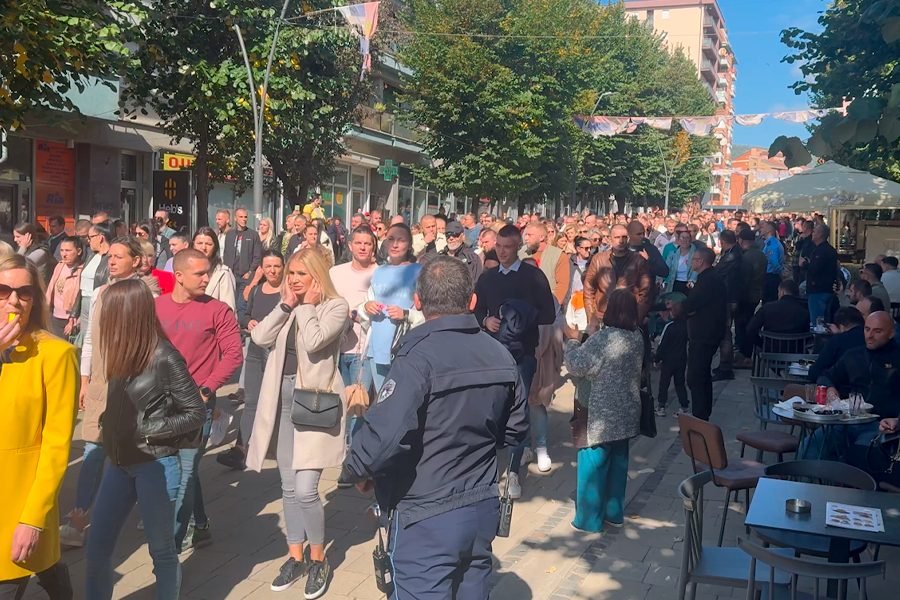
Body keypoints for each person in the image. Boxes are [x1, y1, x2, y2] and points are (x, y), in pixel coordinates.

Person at [340, 256, 529, 599]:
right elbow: (515, 430)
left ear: (417, 302)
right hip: (479, 505)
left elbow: (383, 437)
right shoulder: (500, 355)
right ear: (472, 301)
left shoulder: (416, 357)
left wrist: (355, 470)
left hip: (425, 515)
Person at [84, 280, 205, 600]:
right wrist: (108, 421)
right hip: (119, 462)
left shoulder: (165, 356)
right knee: (96, 551)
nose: (102, 321)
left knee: (161, 551)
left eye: (108, 313)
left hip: (156, 463)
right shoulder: (120, 349)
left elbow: (195, 413)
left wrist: (150, 429)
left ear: (128, 314)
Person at [244, 249, 348, 598]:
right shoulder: (290, 306)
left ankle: (319, 560)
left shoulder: (336, 307)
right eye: (291, 274)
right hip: (283, 399)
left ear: (317, 275)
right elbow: (259, 339)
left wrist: (305, 307)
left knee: (306, 489)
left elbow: (316, 342)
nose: (294, 280)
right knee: (288, 488)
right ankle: (295, 555)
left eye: (301, 274)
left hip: (314, 404)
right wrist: (286, 306)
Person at [65, 237, 162, 548]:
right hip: (102, 382)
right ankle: (78, 520)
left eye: (119, 256)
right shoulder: (102, 292)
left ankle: (152, 509)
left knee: (138, 452)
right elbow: (91, 340)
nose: (112, 261)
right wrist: (85, 380)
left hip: (135, 384)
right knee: (93, 449)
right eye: (110, 256)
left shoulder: (147, 293)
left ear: (137, 260)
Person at [0, 253, 78, 599]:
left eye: (24, 291)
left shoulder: (55, 355)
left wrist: (33, 519)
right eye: (3, 290)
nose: (13, 300)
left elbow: (56, 446)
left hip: (18, 505)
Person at [156, 248, 243, 553]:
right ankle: (201, 522)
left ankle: (174, 545)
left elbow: (234, 354)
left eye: (208, 272)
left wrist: (206, 389)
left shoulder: (217, 310)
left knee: (186, 471)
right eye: (200, 274)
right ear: (178, 276)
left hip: (197, 404)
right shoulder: (156, 307)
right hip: (161, 405)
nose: (207, 278)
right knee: (179, 470)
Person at [474, 225, 555, 497]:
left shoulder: (533, 277)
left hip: (523, 356)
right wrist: (486, 320)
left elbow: (548, 314)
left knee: (517, 413)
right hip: (492, 355)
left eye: (507, 247)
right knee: (492, 412)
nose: (502, 251)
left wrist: (524, 320)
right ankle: (489, 471)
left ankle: (512, 474)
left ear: (518, 246)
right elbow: (474, 311)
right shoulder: (487, 279)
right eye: (498, 246)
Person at [564, 288, 643, 533]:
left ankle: (588, 520)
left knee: (593, 464)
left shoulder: (604, 339)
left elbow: (577, 365)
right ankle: (613, 513)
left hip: (599, 413)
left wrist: (574, 340)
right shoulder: (637, 336)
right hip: (627, 411)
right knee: (618, 465)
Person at [217, 250, 286, 471]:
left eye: (277, 266)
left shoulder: (287, 293)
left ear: (283, 267)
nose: (273, 270)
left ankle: (277, 447)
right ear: (262, 269)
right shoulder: (256, 290)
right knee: (252, 400)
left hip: (277, 352)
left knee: (278, 401)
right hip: (256, 349)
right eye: (268, 266)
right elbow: (244, 315)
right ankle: (241, 449)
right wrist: (250, 322)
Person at [813, 312, 900, 459]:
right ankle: (807, 481)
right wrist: (830, 388)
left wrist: (898, 421)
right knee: (811, 445)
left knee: (858, 455)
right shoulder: (853, 355)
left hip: (882, 425)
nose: (870, 335)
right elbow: (825, 375)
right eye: (867, 329)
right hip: (848, 421)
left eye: (877, 331)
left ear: (891, 333)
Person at [358, 224, 423, 392]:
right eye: (391, 239)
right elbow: (364, 307)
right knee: (381, 401)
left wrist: (406, 314)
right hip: (376, 350)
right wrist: (367, 307)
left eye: (400, 240)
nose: (394, 245)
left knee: (401, 401)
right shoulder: (379, 271)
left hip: (403, 349)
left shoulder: (419, 271)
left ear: (409, 244)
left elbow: (429, 312)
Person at [329, 226, 377, 443]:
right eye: (358, 243)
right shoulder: (335, 272)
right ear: (349, 245)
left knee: (359, 403)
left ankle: (353, 456)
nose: (363, 247)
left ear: (373, 246)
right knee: (344, 402)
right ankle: (346, 450)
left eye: (367, 243)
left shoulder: (380, 273)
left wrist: (359, 313)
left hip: (365, 349)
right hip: (338, 348)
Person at [682, 247, 726, 421]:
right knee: (701, 373)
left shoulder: (708, 279)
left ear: (701, 261)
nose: (692, 261)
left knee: (696, 375)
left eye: (694, 259)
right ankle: (702, 411)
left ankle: (700, 414)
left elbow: (692, 304)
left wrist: (683, 307)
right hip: (708, 332)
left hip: (705, 334)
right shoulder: (709, 278)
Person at [583, 224, 651, 331]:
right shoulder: (598, 259)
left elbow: (645, 292)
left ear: (628, 238)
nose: (621, 241)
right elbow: (588, 290)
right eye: (617, 237)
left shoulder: (638, 260)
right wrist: (591, 318)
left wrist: (637, 319)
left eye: (624, 237)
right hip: (603, 316)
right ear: (610, 239)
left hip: (628, 317)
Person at [745, 279, 810, 351]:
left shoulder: (767, 308)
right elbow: (807, 335)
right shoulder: (804, 312)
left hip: (770, 351)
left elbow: (750, 329)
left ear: (782, 292)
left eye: (778, 292)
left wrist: (762, 344)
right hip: (795, 353)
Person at [712, 230, 742, 381]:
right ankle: (724, 364)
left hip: (728, 298)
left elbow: (718, 272)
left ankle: (725, 366)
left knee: (725, 332)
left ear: (722, 241)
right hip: (730, 296)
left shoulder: (731, 256)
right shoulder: (733, 253)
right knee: (725, 332)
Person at [807, 306, 866, 382]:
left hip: (841, 388)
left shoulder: (837, 341)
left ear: (841, 326)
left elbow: (815, 372)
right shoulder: (870, 339)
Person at [520, 221, 571, 308]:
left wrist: (552, 306)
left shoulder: (558, 256)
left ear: (541, 237)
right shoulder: (520, 254)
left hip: (549, 308)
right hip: (523, 307)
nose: (526, 238)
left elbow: (562, 285)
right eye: (525, 235)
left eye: (530, 235)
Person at [655, 292, 689, 416]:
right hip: (681, 359)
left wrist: (657, 358)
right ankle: (684, 406)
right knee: (680, 383)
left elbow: (663, 345)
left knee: (664, 383)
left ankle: (661, 406)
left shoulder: (669, 327)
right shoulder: (686, 326)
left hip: (668, 360)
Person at [735, 227, 767, 363]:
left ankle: (746, 353)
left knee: (742, 325)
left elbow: (743, 280)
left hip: (745, 295)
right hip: (757, 293)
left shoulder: (745, 257)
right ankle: (749, 350)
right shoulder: (761, 255)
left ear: (741, 240)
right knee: (748, 322)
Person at [223, 208, 262, 314]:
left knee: (242, 303)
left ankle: (241, 324)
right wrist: (227, 270)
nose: (244, 219)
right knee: (231, 302)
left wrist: (250, 271)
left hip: (245, 275)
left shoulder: (253, 235)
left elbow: (257, 256)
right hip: (232, 274)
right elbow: (226, 254)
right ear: (235, 218)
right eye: (241, 217)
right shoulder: (230, 235)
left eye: (245, 217)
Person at [46, 236, 84, 339]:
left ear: (79, 251)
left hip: (70, 319)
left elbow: (81, 297)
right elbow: (50, 288)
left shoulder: (82, 270)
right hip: (55, 316)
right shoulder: (60, 266)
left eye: (68, 250)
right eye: (62, 250)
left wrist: (76, 319)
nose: (64, 254)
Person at [192, 226, 236, 312]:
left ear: (215, 247)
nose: (203, 248)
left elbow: (228, 308)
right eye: (199, 243)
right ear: (193, 244)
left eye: (208, 244)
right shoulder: (186, 269)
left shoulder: (223, 273)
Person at [801, 223, 838, 326]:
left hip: (818, 291)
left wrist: (804, 264)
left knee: (817, 321)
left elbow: (815, 269)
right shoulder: (825, 249)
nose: (812, 233)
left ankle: (818, 340)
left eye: (814, 231)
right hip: (824, 289)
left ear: (820, 234)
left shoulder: (823, 251)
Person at [662, 225, 697, 295]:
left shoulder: (695, 254)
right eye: (682, 238)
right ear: (679, 239)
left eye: (687, 238)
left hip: (688, 284)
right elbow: (666, 268)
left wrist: (692, 280)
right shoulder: (672, 254)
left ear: (690, 240)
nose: (685, 240)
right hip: (674, 282)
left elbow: (696, 270)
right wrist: (662, 280)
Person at [760, 221, 784, 304]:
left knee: (769, 303)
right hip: (771, 277)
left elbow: (774, 262)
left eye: (763, 227)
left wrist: (781, 274)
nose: (761, 229)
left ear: (769, 230)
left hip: (771, 277)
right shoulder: (770, 243)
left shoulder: (772, 244)